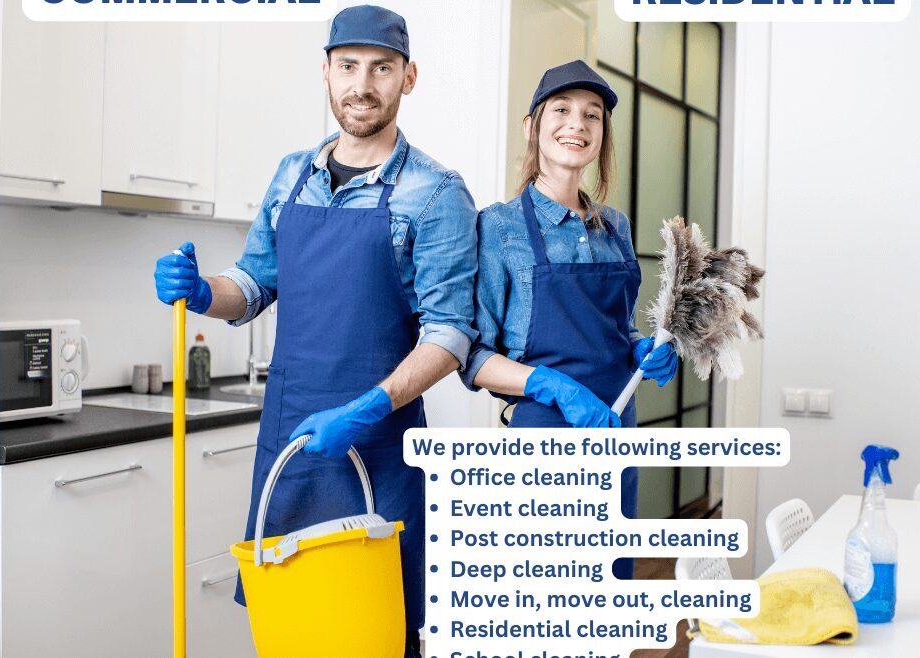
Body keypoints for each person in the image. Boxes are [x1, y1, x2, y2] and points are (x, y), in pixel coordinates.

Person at [153, 6, 477, 656]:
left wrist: (366, 409)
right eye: (349, 66)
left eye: (381, 68)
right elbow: (252, 283)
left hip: (379, 451)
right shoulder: (290, 174)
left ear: (408, 77)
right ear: (325, 73)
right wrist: (201, 291)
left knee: (377, 634)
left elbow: (451, 336)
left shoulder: (436, 193)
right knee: (292, 628)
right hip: (290, 446)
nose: (363, 84)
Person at [462, 60, 678, 579]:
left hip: (615, 429)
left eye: (593, 115)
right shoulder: (500, 226)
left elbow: (615, 327)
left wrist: (639, 347)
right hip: (542, 438)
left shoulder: (616, 226)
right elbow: (472, 357)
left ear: (603, 135)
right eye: (562, 110)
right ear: (533, 126)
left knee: (605, 596)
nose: (577, 125)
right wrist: (557, 388)